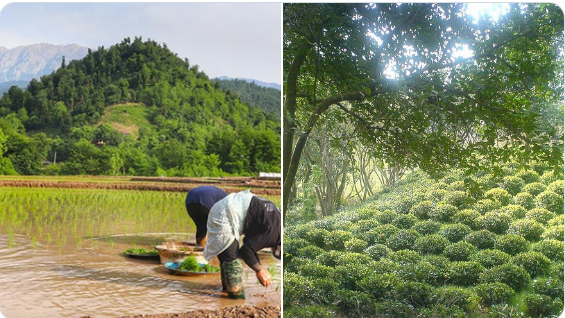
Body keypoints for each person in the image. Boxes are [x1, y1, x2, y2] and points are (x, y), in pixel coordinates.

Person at [203, 190, 281, 299]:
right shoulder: (275, 233)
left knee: (228, 259)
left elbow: (249, 246)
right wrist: (260, 270)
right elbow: (246, 251)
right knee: (233, 264)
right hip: (226, 214)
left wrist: (258, 267)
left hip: (227, 207)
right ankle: (235, 299)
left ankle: (226, 296)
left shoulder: (278, 221)